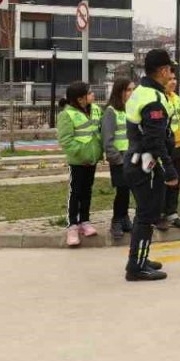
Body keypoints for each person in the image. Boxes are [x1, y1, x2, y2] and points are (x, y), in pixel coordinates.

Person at [123, 49, 177, 282]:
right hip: (146, 165)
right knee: (147, 215)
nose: (171, 74)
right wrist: (169, 170)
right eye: (170, 70)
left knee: (143, 214)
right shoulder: (153, 99)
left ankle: (140, 259)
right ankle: (136, 268)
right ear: (163, 70)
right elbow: (155, 141)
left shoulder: (141, 91)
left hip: (136, 161)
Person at [57, 81, 103, 247]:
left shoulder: (97, 110)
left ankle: (85, 221)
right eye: (89, 93)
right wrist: (82, 154)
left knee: (87, 190)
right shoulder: (67, 115)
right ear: (80, 99)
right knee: (75, 192)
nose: (93, 95)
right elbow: (66, 140)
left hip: (92, 159)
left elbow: (99, 132)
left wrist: (98, 153)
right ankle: (72, 226)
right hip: (78, 161)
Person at [101, 77, 136, 241]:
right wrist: (117, 158)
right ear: (120, 92)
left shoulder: (131, 109)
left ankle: (124, 218)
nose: (132, 93)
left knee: (127, 189)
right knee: (121, 190)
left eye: (133, 89)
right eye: (129, 90)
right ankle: (116, 220)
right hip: (120, 158)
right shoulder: (111, 111)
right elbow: (107, 139)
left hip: (131, 156)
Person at [159, 71, 180, 230]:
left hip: (178, 145)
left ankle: (172, 212)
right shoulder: (159, 98)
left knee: (176, 181)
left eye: (174, 79)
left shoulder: (176, 98)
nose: (173, 82)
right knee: (163, 181)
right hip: (165, 147)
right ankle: (160, 214)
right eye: (169, 79)